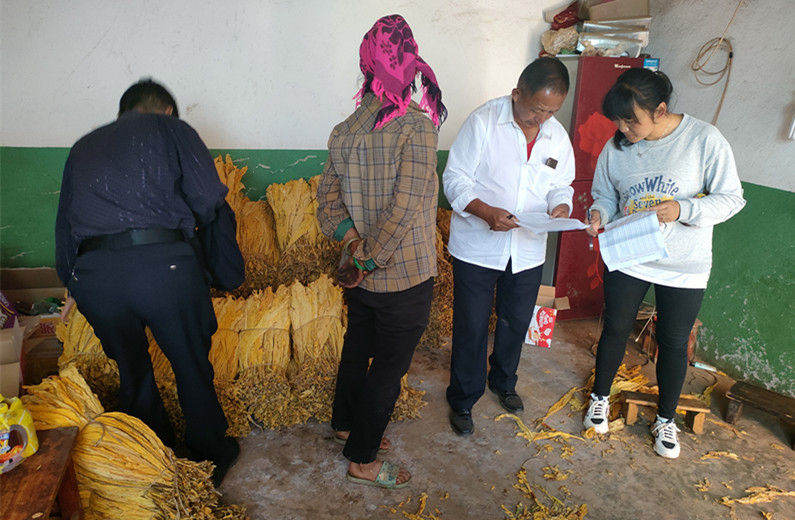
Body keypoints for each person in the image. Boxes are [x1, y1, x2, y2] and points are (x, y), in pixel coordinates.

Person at [55, 79, 242, 486]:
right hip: (164, 270)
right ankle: (211, 452)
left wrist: (71, 279)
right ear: (167, 110)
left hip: (95, 277)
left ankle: (151, 453)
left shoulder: (83, 145)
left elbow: (65, 225)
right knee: (190, 363)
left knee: (132, 368)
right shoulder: (173, 130)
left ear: (123, 111)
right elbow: (207, 198)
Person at [583, 68, 745, 458]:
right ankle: (599, 397)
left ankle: (666, 419)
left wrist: (683, 209)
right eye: (618, 121)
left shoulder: (704, 139)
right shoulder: (618, 146)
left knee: (673, 342)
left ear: (660, 110)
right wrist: (599, 214)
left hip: (683, 263)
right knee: (615, 329)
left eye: (631, 121)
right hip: (629, 255)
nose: (623, 130)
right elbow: (606, 194)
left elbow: (731, 198)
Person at [316, 14, 446, 489]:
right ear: (412, 68)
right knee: (388, 370)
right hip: (403, 277)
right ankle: (362, 459)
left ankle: (345, 425)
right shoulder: (416, 128)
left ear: (366, 67)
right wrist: (370, 257)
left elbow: (326, 204)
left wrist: (355, 248)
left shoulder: (343, 131)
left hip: (358, 275)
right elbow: (406, 207)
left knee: (357, 350)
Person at [443, 57, 575, 436]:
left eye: (551, 112)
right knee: (471, 326)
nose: (542, 119)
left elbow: (561, 185)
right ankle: (463, 397)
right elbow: (455, 179)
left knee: (515, 321)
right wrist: (484, 211)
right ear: (517, 94)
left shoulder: (556, 135)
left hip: (528, 249)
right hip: (478, 248)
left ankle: (503, 381)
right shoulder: (483, 122)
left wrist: (561, 207)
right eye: (536, 109)